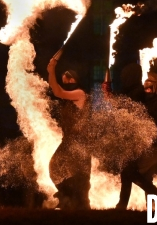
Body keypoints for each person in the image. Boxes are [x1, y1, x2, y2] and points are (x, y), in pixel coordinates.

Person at [115, 70, 157, 210]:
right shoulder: (143, 100)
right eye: (145, 86)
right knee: (140, 175)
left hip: (155, 145)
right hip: (145, 145)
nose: (147, 89)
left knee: (129, 172)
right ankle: (150, 208)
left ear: (155, 86)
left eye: (150, 86)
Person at [47, 57, 91, 209]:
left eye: (66, 80)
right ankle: (67, 197)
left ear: (73, 79)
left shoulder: (79, 93)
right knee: (55, 167)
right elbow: (55, 89)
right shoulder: (69, 96)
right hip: (69, 140)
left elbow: (58, 91)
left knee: (81, 177)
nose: (65, 82)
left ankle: (78, 204)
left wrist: (51, 70)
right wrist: (51, 71)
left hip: (80, 142)